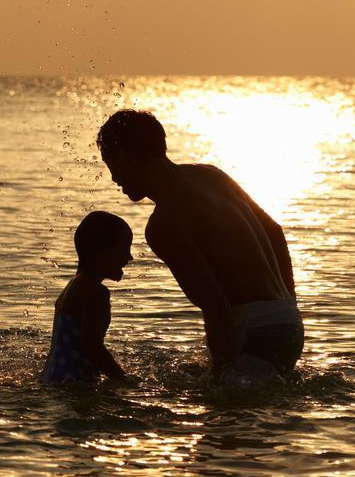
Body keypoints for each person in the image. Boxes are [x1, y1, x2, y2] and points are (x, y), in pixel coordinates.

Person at [97, 109, 302, 377]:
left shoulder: (163, 225)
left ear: (123, 155)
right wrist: (288, 306)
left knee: (223, 410)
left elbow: (214, 305)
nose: (114, 179)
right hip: (288, 322)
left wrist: (222, 373)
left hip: (255, 333)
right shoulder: (211, 175)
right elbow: (275, 232)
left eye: (110, 164)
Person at [39, 212, 130, 384]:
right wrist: (123, 379)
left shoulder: (74, 284)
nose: (129, 257)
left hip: (51, 380)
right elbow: (92, 347)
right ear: (103, 252)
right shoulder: (96, 292)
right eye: (124, 249)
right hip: (73, 385)